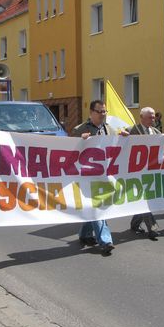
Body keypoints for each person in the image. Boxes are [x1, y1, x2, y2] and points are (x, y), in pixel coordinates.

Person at [71, 100, 119, 255]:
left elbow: (117, 149)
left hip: (104, 176)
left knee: (95, 207)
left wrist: (124, 138)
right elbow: (68, 152)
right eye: (99, 112)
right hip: (85, 177)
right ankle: (105, 241)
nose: (103, 114)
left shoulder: (110, 130)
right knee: (98, 208)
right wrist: (79, 141)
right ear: (91, 113)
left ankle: (85, 234)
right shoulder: (79, 130)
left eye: (104, 111)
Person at [126, 107, 163, 240]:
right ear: (141, 117)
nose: (152, 119)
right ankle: (153, 228)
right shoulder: (131, 130)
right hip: (135, 172)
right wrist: (123, 137)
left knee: (144, 199)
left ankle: (135, 224)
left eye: (153, 117)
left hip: (150, 172)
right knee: (145, 199)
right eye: (149, 117)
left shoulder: (156, 131)